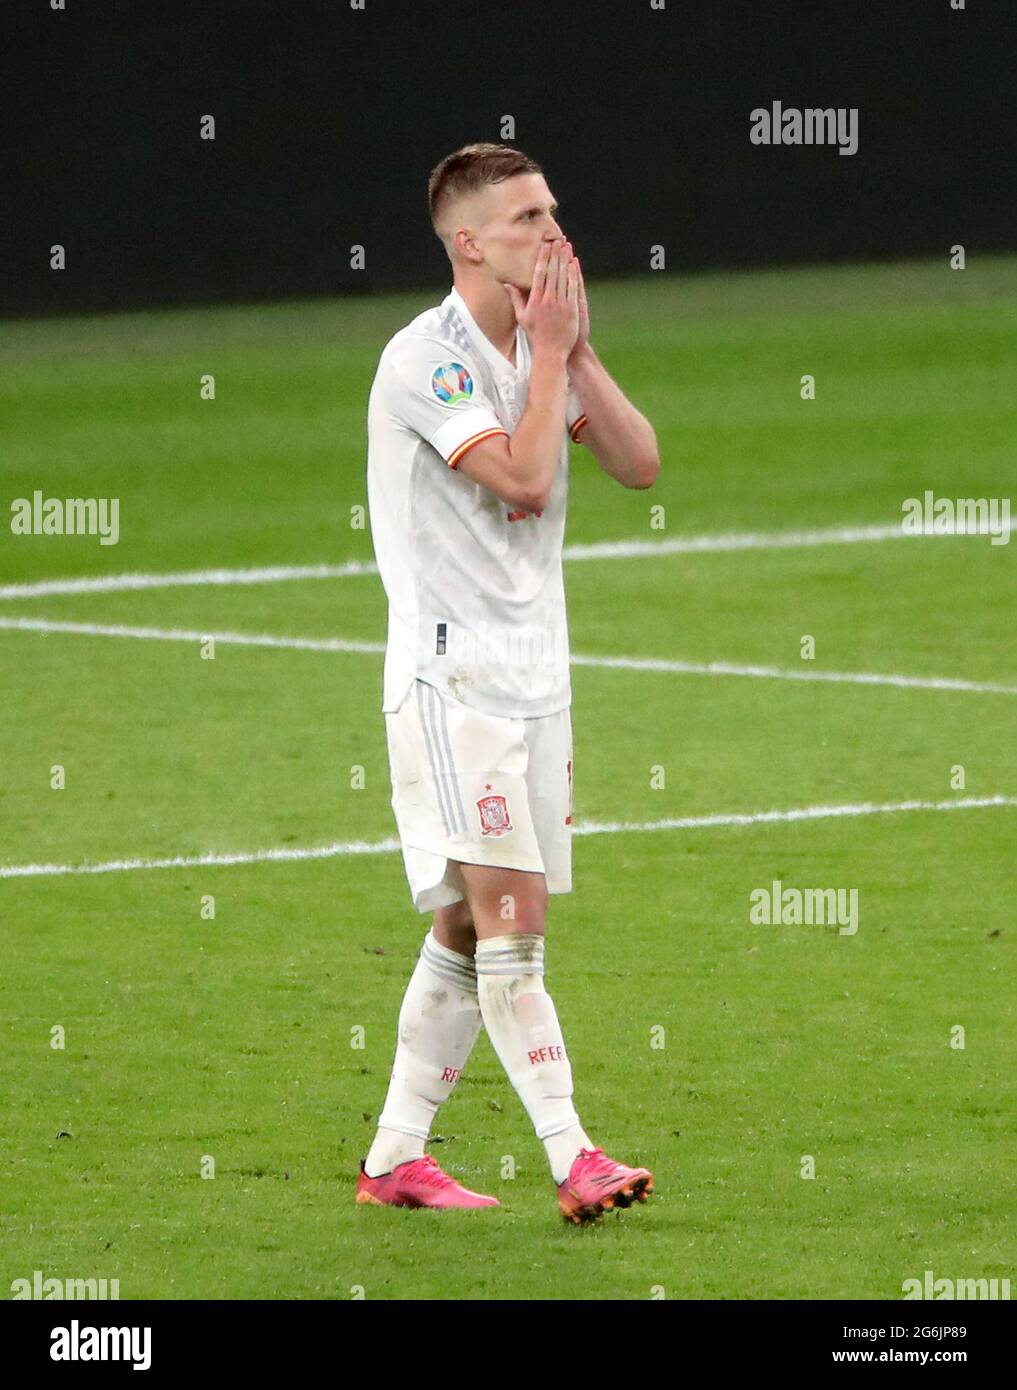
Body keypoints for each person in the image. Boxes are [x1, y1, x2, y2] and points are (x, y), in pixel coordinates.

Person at [359, 143, 660, 1223]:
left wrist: (567, 357)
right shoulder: (425, 361)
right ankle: (574, 1153)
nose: (554, 231)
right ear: (469, 242)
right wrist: (545, 362)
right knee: (514, 917)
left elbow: (638, 461)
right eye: (529, 217)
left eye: (554, 211)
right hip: (455, 684)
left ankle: (396, 1155)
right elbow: (528, 481)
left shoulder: (539, 353)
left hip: (538, 680)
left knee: (467, 926)